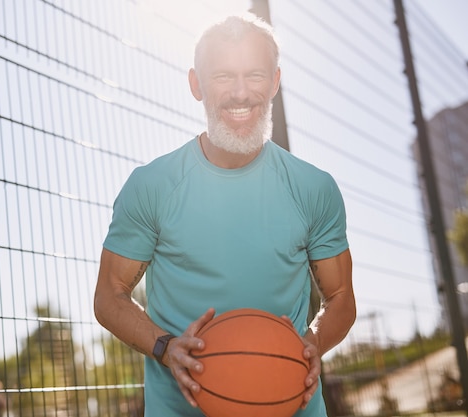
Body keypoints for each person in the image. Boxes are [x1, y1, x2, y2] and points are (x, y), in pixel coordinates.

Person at [93, 14, 356, 417]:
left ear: (274, 82)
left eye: (254, 75)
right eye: (222, 77)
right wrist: (166, 347)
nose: (239, 93)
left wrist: (312, 343)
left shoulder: (313, 188)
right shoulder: (153, 186)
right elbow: (109, 296)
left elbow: (340, 297)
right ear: (196, 84)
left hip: (292, 405)